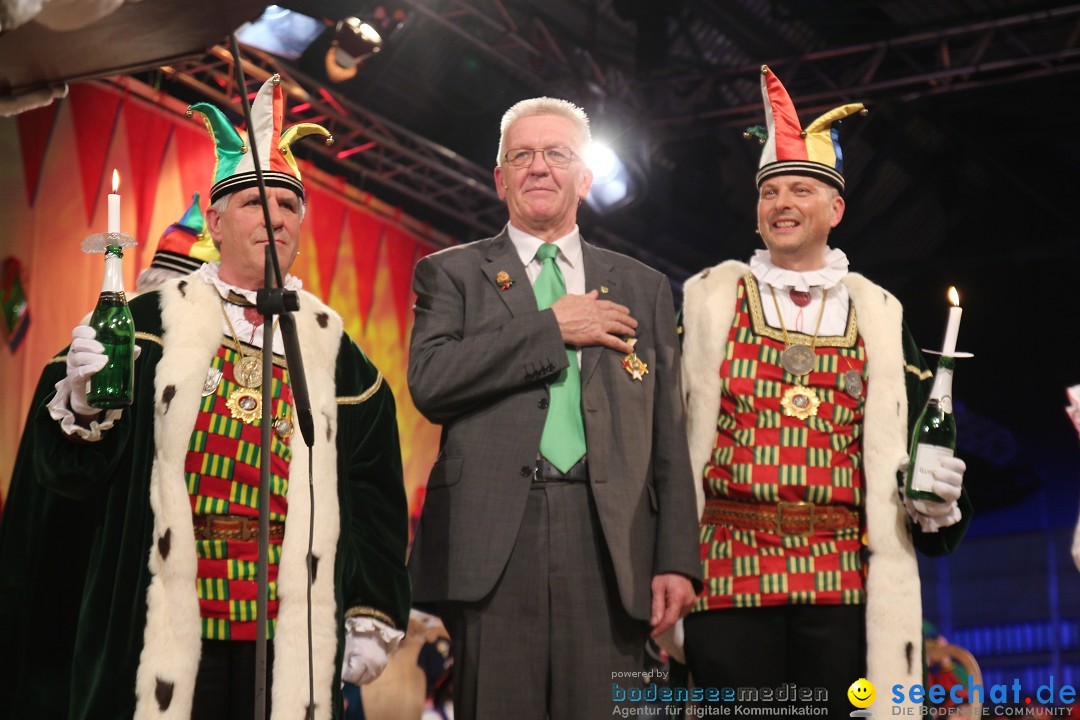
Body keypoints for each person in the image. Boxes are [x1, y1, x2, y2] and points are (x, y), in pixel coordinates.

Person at [0, 75, 410, 719]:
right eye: (253, 202)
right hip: (156, 619)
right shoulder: (142, 327)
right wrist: (80, 405)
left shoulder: (344, 363)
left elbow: (374, 496)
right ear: (215, 221)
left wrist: (370, 608)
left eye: (288, 205)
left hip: (287, 631)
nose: (274, 216)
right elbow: (65, 478)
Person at [676, 66, 971, 716]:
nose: (782, 203)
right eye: (770, 191)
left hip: (841, 587)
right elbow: (662, 443)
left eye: (801, 190)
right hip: (725, 574)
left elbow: (926, 442)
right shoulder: (706, 305)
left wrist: (939, 491)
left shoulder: (881, 317)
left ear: (835, 208)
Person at [406, 97, 702, 720]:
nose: (539, 167)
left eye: (557, 154)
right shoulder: (451, 275)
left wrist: (677, 558)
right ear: (501, 178)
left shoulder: (642, 287)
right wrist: (552, 328)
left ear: (585, 177)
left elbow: (667, 435)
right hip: (493, 540)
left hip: (612, 537)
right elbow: (431, 383)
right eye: (522, 155)